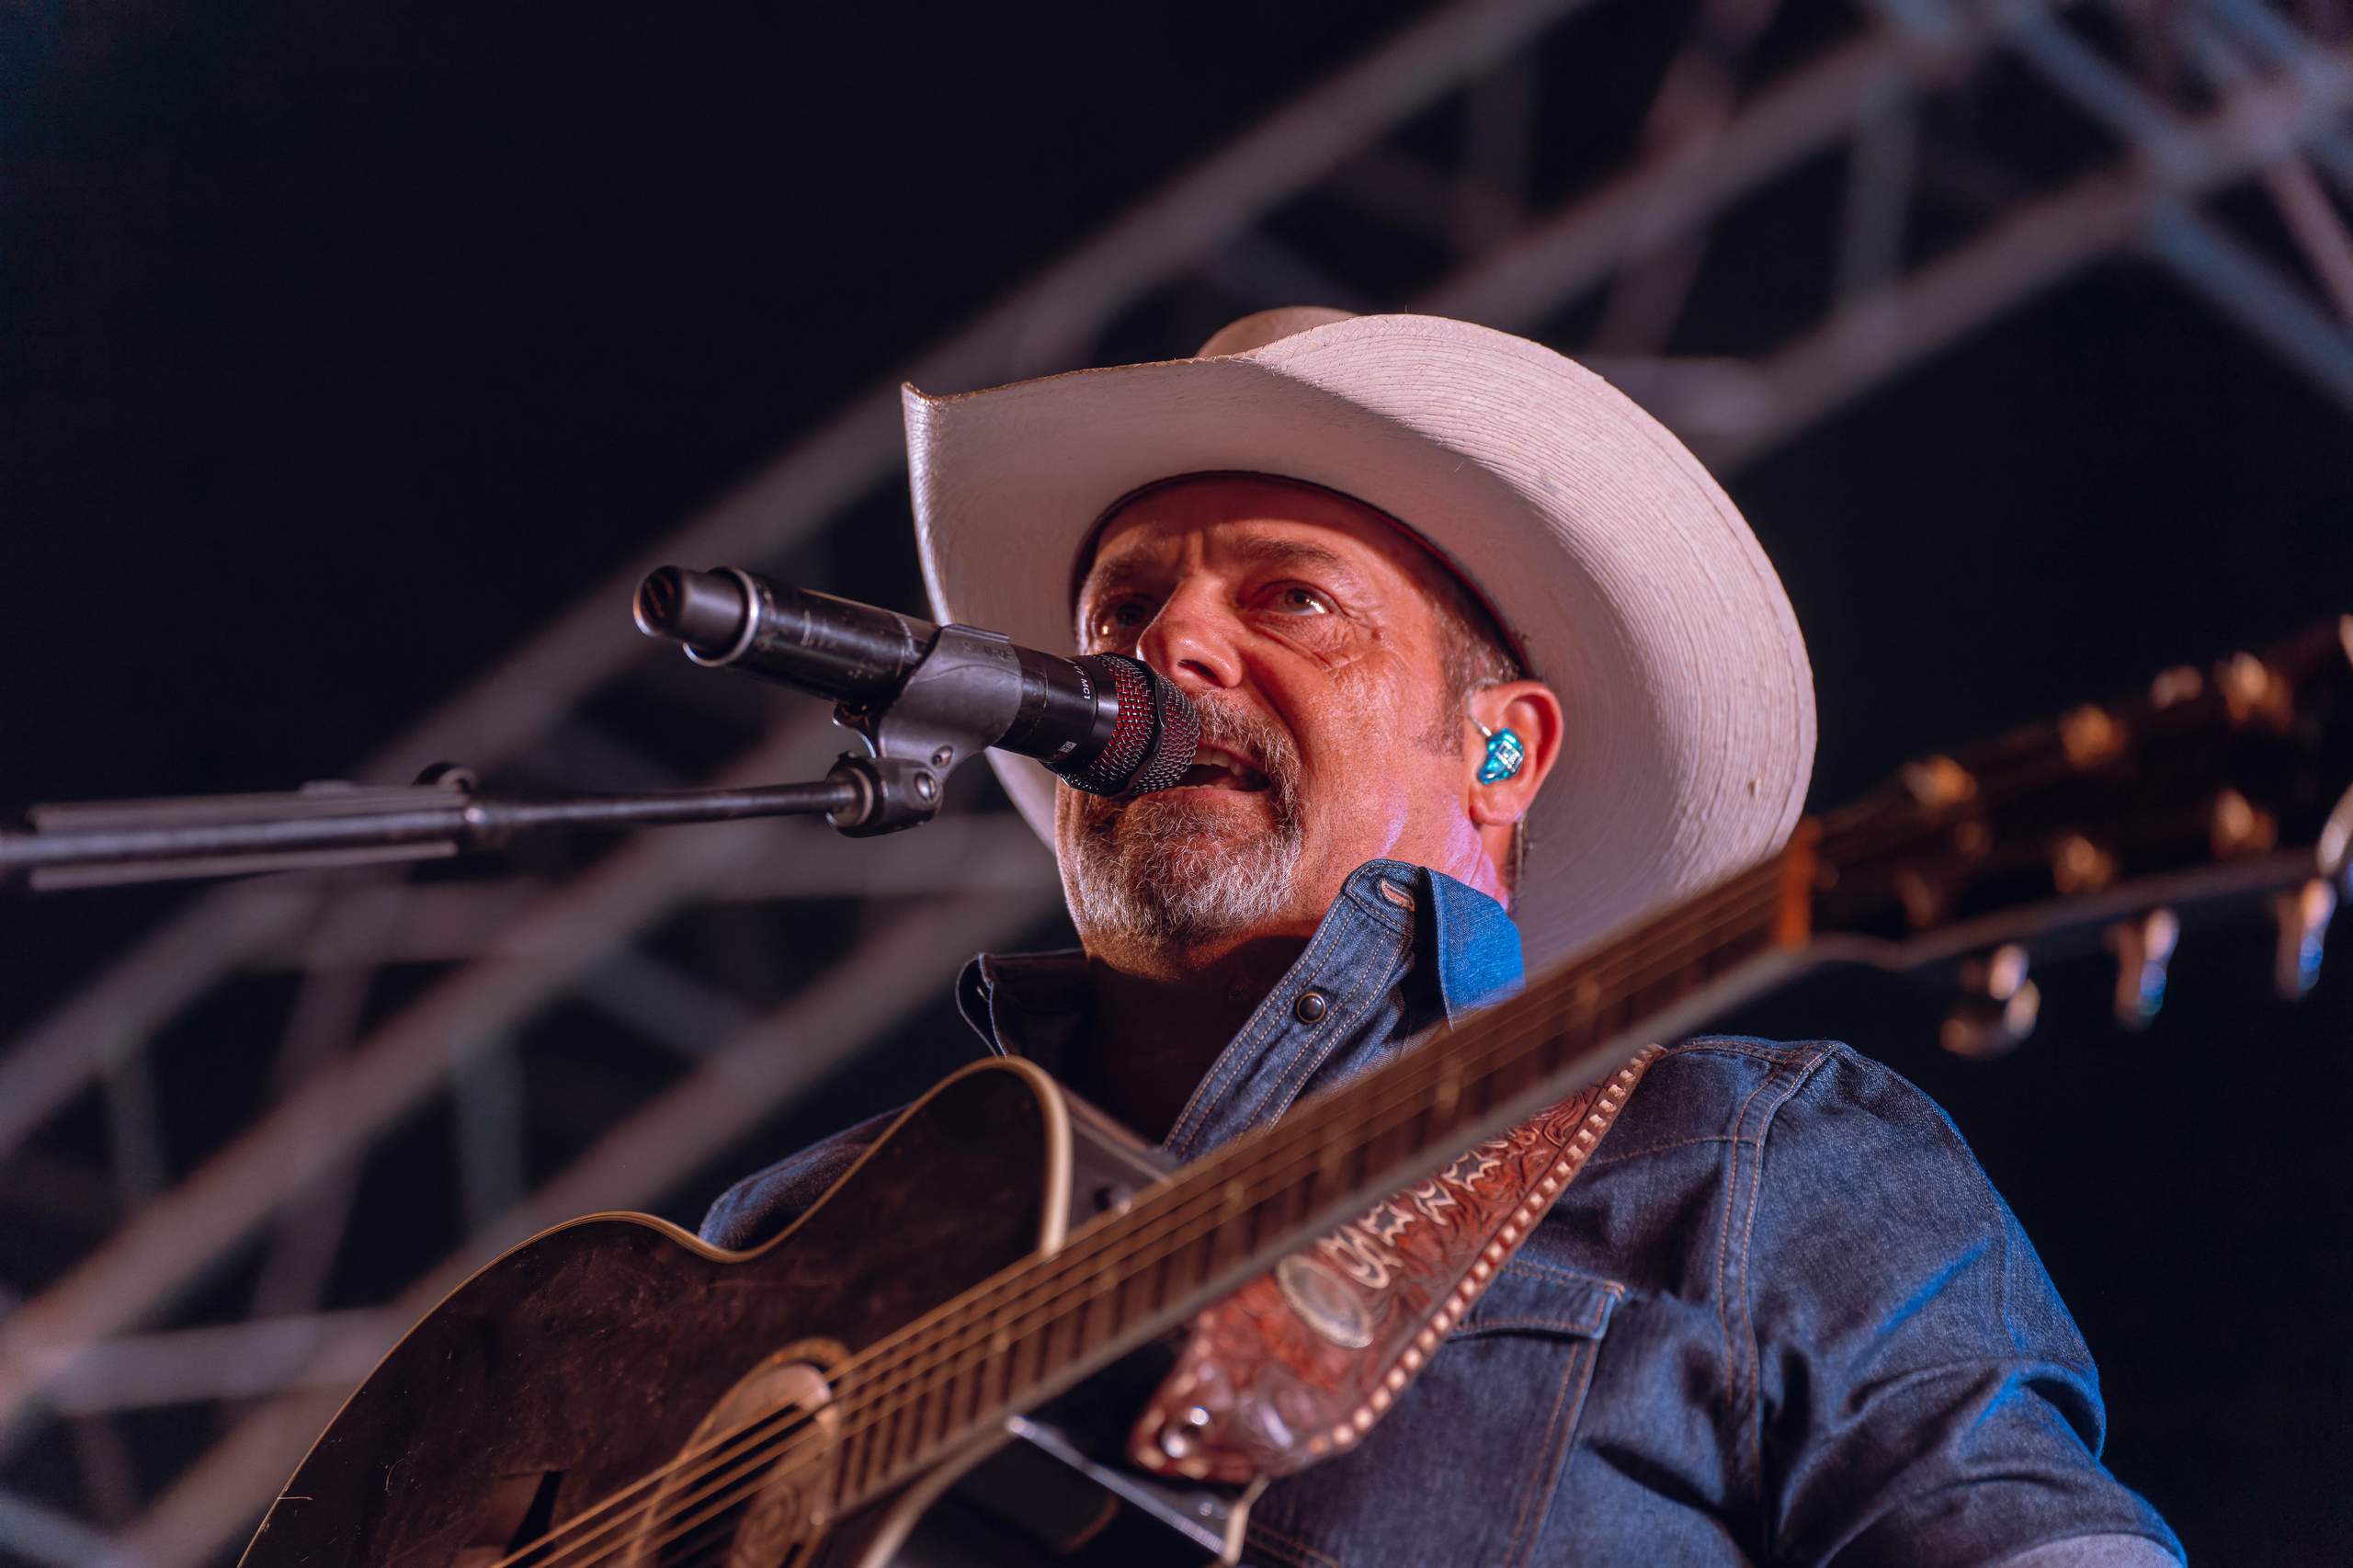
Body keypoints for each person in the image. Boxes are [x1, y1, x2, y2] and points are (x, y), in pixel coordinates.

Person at [700, 310, 2183, 1565]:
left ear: (1502, 753)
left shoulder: (1747, 1162)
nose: (1164, 650)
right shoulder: (804, 1228)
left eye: (1292, 597)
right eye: (1123, 609)